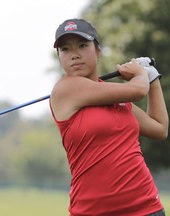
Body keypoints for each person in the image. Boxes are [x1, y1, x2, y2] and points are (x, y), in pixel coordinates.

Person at [50, 18, 169, 216]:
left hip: (146, 208)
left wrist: (153, 78)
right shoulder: (65, 89)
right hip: (91, 212)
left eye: (82, 45)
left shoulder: (116, 98)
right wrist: (140, 73)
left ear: (98, 51)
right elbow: (139, 90)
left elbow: (159, 128)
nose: (74, 55)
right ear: (59, 57)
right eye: (65, 49)